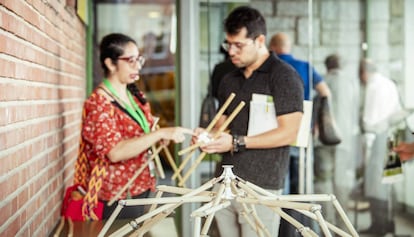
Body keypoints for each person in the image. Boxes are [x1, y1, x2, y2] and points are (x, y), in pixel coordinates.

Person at [196, 6, 304, 237]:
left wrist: (235, 142)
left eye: (238, 45)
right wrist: (208, 136)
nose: (231, 52)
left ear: (260, 40)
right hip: (224, 182)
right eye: (228, 44)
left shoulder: (284, 76)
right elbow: (222, 126)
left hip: (261, 185)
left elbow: (289, 133)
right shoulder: (229, 78)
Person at [74, 33, 193, 220]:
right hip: (116, 195)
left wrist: (155, 136)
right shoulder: (98, 103)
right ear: (110, 63)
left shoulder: (134, 95)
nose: (137, 66)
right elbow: (114, 152)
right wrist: (159, 133)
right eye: (130, 60)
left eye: (139, 59)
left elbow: (141, 137)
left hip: (140, 187)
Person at [269, 32, 331, 236]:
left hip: (275, 131)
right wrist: (315, 121)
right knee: (303, 181)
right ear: (289, 46)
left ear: (272, 46)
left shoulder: (271, 67)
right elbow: (325, 92)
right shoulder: (305, 66)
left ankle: (282, 227)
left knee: (281, 180)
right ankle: (305, 227)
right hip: (301, 131)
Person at [313, 54, 360, 226]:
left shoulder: (322, 82)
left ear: (327, 66)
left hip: (323, 140)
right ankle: (344, 226)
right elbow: (356, 112)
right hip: (345, 140)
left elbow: (316, 111)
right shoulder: (351, 84)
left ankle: (327, 224)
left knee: (323, 181)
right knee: (341, 183)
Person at [359, 58, 402, 235]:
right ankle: (388, 223)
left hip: (378, 140)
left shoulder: (373, 86)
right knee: (389, 180)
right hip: (393, 138)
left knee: (375, 183)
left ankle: (379, 225)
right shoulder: (389, 83)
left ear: (364, 73)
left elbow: (370, 119)